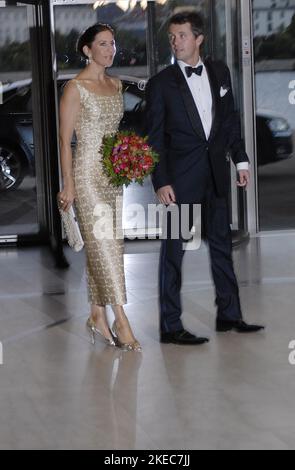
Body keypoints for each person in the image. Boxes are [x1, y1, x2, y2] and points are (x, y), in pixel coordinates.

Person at [146, 12, 264, 345]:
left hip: (215, 175)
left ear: (199, 38)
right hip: (179, 182)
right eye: (171, 36)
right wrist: (161, 181)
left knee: (222, 249)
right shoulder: (161, 83)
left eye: (181, 35)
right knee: (173, 253)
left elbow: (228, 122)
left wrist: (240, 160)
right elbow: (154, 139)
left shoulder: (219, 72)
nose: (175, 42)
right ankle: (170, 326)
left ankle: (229, 315)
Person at [58, 24, 141, 352]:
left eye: (113, 44)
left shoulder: (116, 84)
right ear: (87, 50)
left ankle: (96, 314)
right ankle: (121, 319)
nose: (110, 50)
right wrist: (68, 184)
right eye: (103, 44)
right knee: (107, 247)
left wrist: (127, 156)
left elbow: (114, 133)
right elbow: (65, 141)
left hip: (112, 174)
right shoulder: (75, 88)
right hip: (87, 175)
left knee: (104, 245)